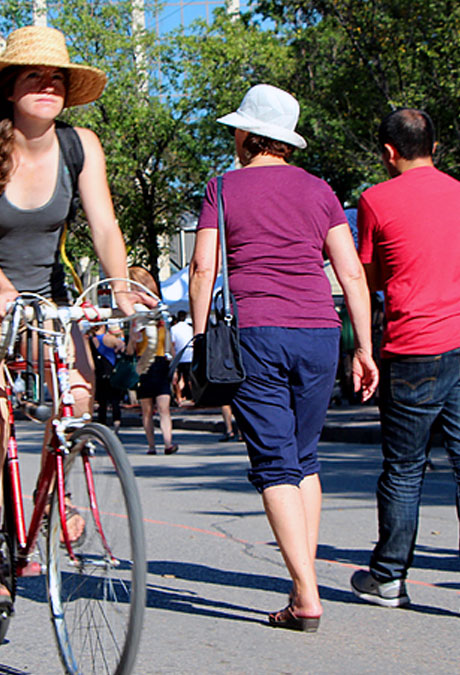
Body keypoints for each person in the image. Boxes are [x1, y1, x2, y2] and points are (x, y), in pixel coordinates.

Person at [0, 25, 137, 618]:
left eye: (57, 78)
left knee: (77, 401)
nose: (48, 86)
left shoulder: (82, 145)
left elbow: (103, 226)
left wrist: (124, 289)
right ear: (9, 88)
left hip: (47, 302)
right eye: (35, 76)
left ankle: (56, 498)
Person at [189, 84, 378, 631]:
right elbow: (350, 276)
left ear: (249, 135)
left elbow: (204, 269)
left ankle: (306, 593)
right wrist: (363, 347)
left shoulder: (221, 188)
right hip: (320, 331)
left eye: (235, 131)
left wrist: (202, 342)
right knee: (304, 458)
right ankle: (303, 583)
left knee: (275, 464)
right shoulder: (320, 190)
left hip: (256, 333)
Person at [349, 109, 460, 608]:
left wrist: (363, 346)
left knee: (404, 468)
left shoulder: (374, 199)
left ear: (389, 153)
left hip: (411, 348)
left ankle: (389, 577)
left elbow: (368, 278)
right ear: (435, 147)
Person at [128, 265, 177, 455]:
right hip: (144, 362)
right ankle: (151, 445)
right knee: (147, 408)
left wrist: (174, 366)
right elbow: (131, 348)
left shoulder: (160, 313)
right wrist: (132, 336)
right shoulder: (137, 315)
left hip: (161, 362)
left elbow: (169, 342)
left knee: (164, 407)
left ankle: (167, 443)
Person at [90, 321, 125, 433]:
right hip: (111, 371)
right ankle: (116, 424)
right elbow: (121, 345)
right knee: (115, 402)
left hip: (98, 374)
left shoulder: (91, 340)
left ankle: (102, 426)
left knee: (102, 403)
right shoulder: (108, 338)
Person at [170, 311, 193, 406]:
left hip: (179, 356)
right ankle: (193, 397)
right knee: (190, 378)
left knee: (177, 378)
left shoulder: (173, 329)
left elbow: (172, 343)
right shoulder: (190, 328)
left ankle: (179, 398)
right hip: (190, 355)